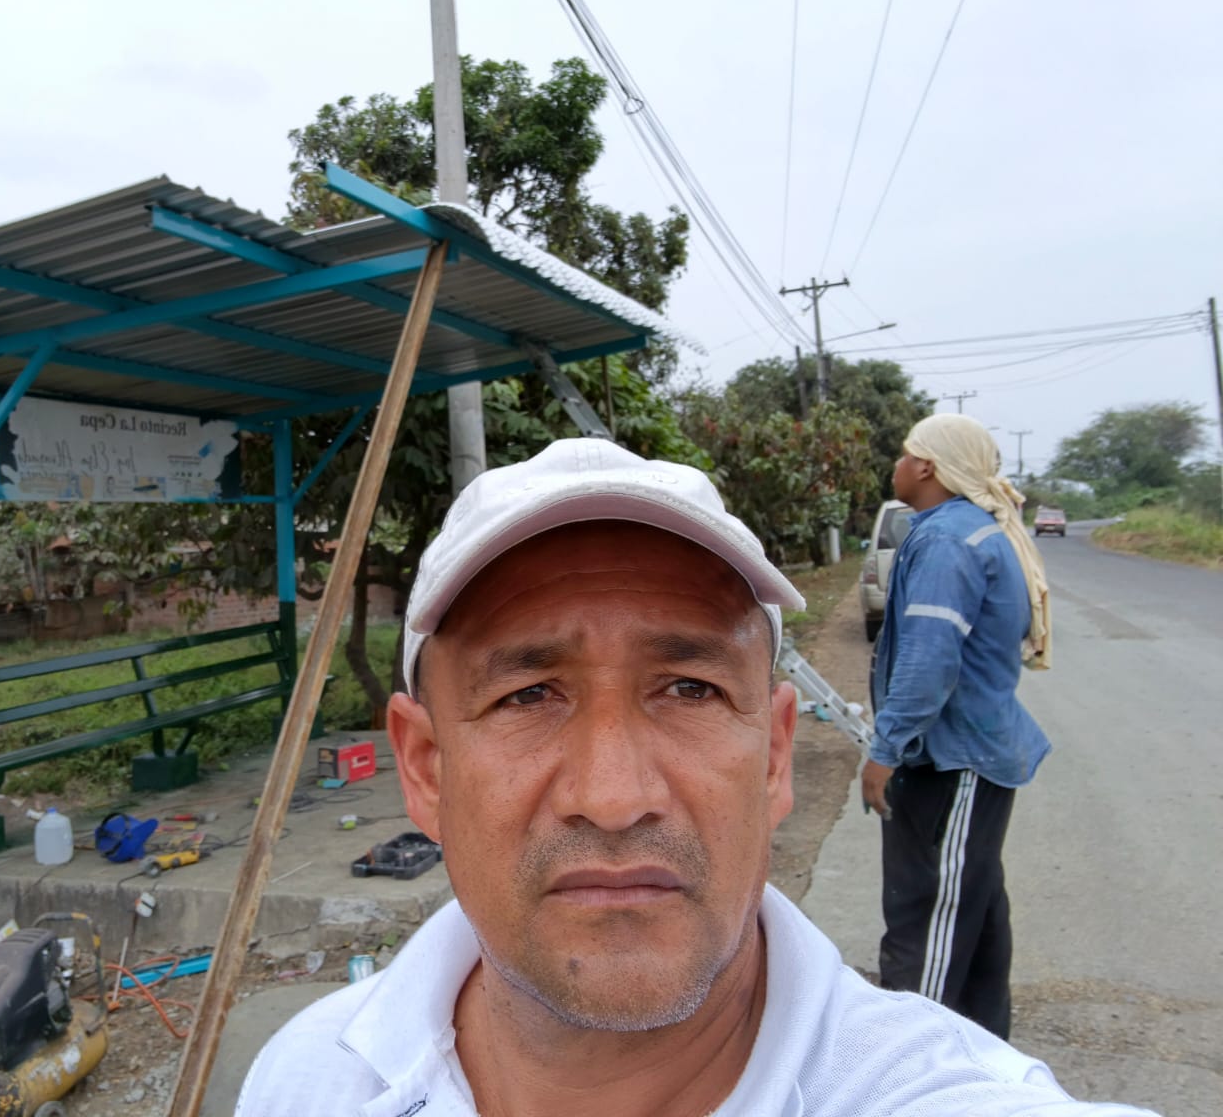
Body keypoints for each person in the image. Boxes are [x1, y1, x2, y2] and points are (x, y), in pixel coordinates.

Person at [238, 438, 1150, 1117]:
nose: (613, 797)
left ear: (775, 758)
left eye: (689, 688)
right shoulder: (308, 1078)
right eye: (527, 695)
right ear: (426, 770)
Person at [861, 413, 1053, 1040]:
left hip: (952, 762)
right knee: (975, 906)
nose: (897, 464)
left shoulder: (947, 541)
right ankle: (984, 1053)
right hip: (969, 756)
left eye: (904, 453)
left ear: (926, 467)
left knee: (928, 917)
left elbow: (928, 662)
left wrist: (885, 751)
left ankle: (913, 1058)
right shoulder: (967, 530)